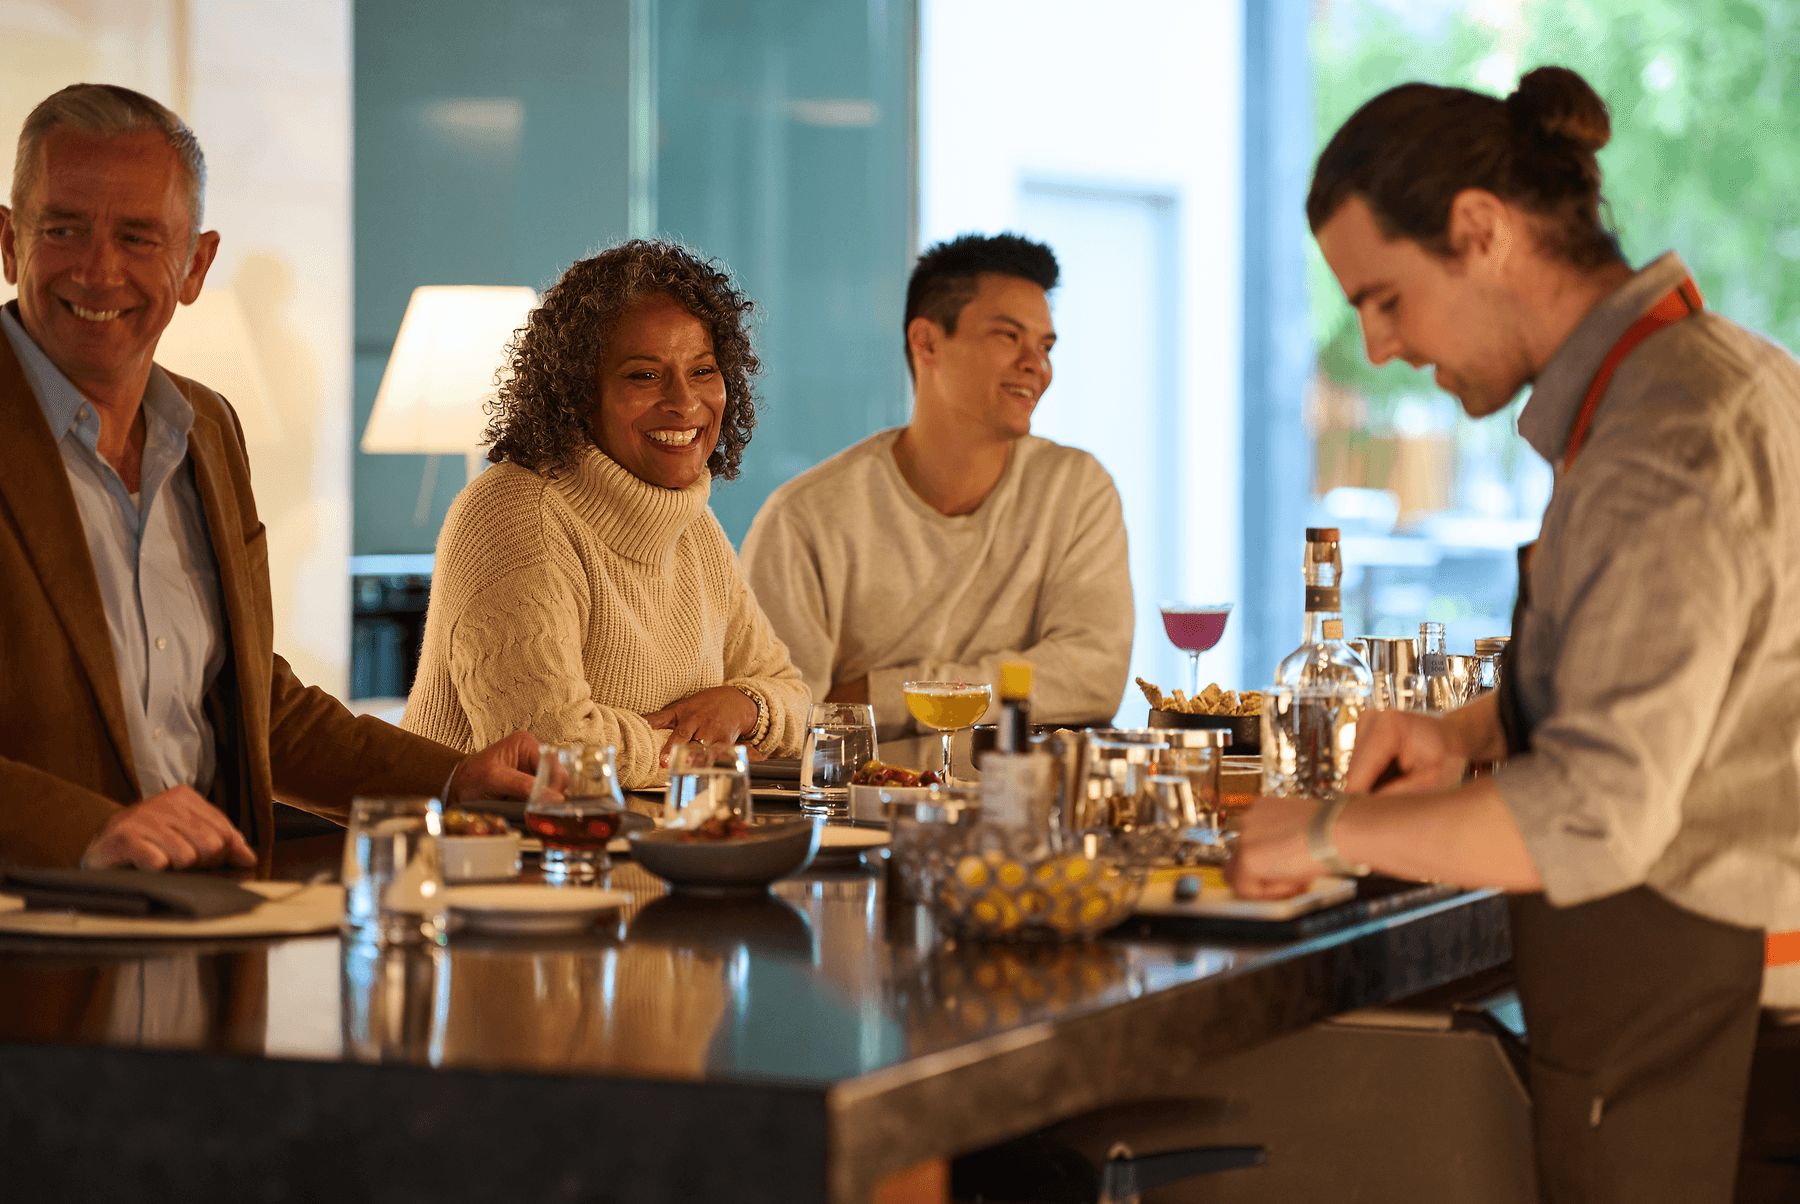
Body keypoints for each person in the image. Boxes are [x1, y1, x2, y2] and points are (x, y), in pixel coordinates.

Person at [1227, 66, 1800, 1200]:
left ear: (1479, 231)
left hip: (1716, 1019)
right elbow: (1722, 671)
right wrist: (1477, 726)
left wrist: (1329, 834)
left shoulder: (1659, 438)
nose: (1380, 348)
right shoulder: (1714, 376)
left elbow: (1597, 813)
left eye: (1384, 298)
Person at [0, 84, 540, 873]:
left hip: (215, 927)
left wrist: (452, 780)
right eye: (65, 229)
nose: (98, 268)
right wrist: (82, 832)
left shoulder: (207, 431)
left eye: (139, 237)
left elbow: (257, 708)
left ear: (195, 264)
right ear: (11, 244)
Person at [401, 241, 810, 788]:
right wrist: (707, 756)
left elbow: (794, 698)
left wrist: (744, 707)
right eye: (644, 375)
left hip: (660, 854)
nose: (685, 404)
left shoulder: (694, 527)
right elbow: (555, 751)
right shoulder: (514, 515)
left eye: (704, 370)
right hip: (501, 859)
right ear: (579, 391)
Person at [739, 233, 1132, 753]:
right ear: (926, 342)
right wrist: (1014, 683)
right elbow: (786, 720)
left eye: (1045, 345)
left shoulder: (1077, 489)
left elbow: (1093, 675)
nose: (1038, 366)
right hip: (859, 822)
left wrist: (884, 696)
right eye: (1009, 337)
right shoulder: (805, 518)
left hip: (1027, 818)